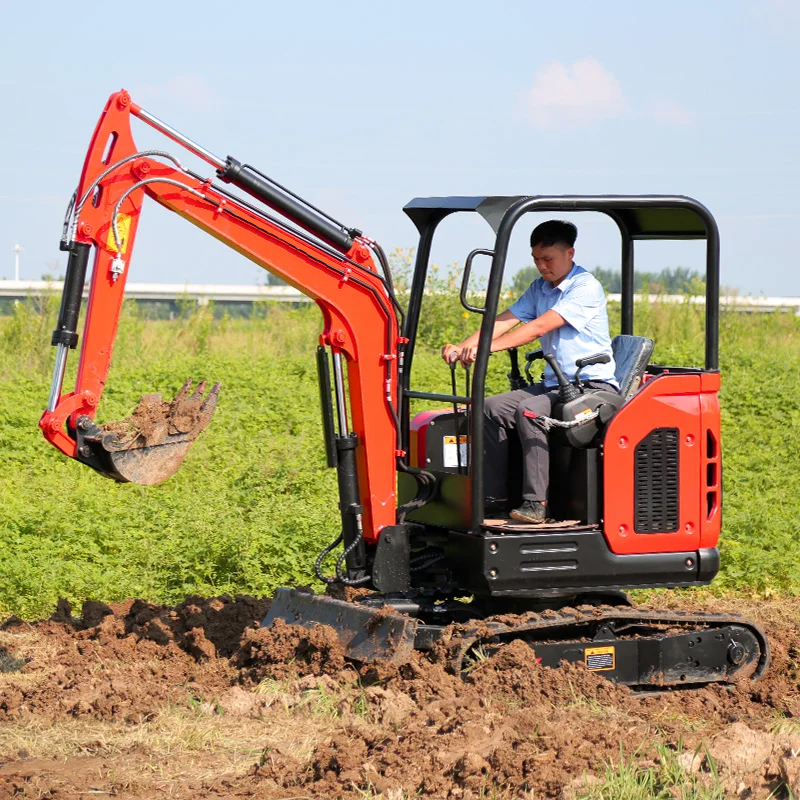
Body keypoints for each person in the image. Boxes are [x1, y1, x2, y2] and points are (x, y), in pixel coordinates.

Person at [441, 220, 618, 524]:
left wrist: (486, 350)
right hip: (557, 386)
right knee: (490, 408)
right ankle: (493, 499)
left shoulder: (585, 287)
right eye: (536, 259)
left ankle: (537, 504)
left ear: (569, 253)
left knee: (529, 412)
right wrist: (464, 344)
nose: (541, 266)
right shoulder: (541, 288)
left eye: (547, 259)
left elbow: (538, 327)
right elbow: (506, 319)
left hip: (591, 388)